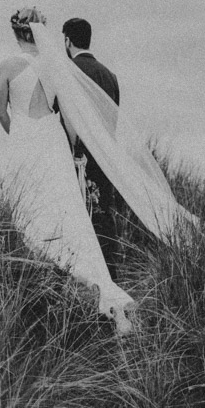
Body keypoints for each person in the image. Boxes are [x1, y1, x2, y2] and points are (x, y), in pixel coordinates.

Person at [0, 7, 197, 332]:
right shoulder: (55, 67)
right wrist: (73, 149)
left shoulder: (8, 65)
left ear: (16, 33)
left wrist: (18, 136)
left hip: (27, 140)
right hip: (54, 140)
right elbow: (72, 116)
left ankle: (44, 273)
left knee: (30, 211)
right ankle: (99, 282)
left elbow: (0, 113)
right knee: (70, 210)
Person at [61, 17, 127, 281]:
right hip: (105, 158)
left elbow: (66, 118)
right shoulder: (110, 76)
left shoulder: (68, 72)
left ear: (67, 40)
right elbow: (114, 118)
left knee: (80, 219)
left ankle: (87, 283)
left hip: (80, 158)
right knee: (104, 219)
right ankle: (111, 278)